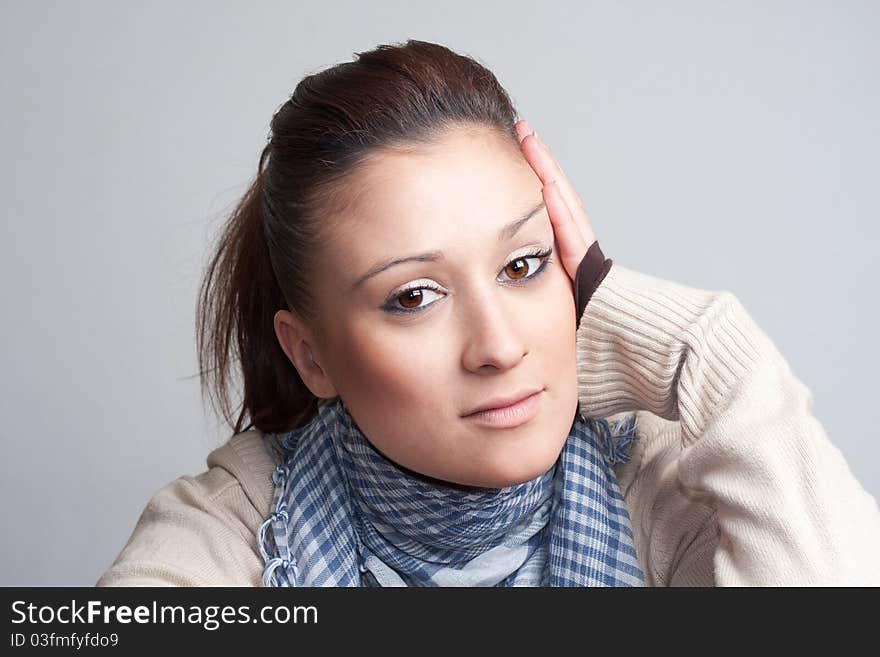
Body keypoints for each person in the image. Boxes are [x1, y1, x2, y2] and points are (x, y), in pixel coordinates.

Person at [97, 39, 880, 587]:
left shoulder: (667, 488)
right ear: (312, 357)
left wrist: (711, 350)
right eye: (413, 296)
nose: (500, 346)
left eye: (523, 265)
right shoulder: (233, 526)